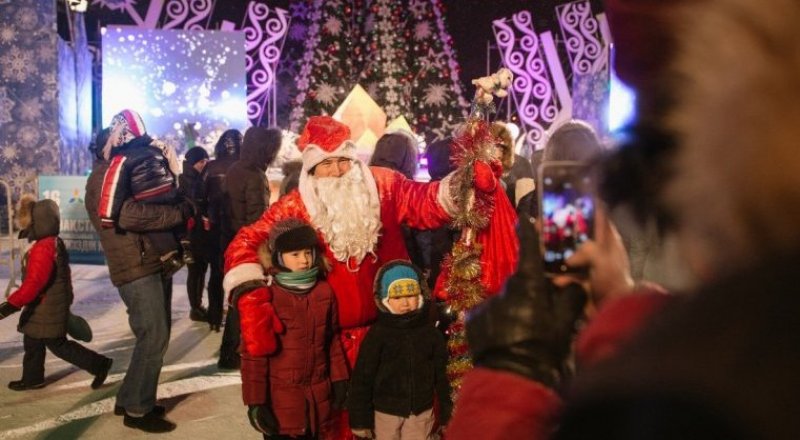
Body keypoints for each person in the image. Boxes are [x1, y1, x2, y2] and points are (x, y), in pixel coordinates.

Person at [449, 0, 800, 438]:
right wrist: (621, 304)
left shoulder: (703, 396)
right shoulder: (750, 333)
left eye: (661, 149)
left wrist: (513, 367)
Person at [223, 115, 512, 438]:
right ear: (311, 169)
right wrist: (252, 299)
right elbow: (245, 242)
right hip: (327, 347)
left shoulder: (383, 185)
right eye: (326, 164)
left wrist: (466, 182)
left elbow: (427, 203)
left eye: (343, 162)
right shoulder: (295, 207)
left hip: (388, 334)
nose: (336, 172)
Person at [86, 128, 189, 433]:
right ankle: (137, 410)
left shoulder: (123, 170)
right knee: (154, 334)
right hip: (134, 265)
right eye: (119, 141)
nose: (125, 145)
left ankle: (130, 396)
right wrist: (177, 213)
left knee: (154, 334)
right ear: (106, 147)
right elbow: (129, 215)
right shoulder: (104, 176)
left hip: (146, 260)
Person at [240, 218, 349, 439]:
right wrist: (256, 402)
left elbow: (332, 339)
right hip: (280, 400)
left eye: (308, 253)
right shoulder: (267, 297)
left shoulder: (323, 292)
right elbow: (254, 355)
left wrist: (339, 379)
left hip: (318, 396)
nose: (304, 261)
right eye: (295, 255)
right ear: (278, 256)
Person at [0, 196, 113, 391]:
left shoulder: (44, 248)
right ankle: (32, 378)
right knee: (33, 339)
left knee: (57, 343)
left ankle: (99, 364)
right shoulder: (50, 242)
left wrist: (10, 305)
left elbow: (34, 283)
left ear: (39, 222)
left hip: (47, 305)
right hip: (47, 304)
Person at [347, 260, 451, 440]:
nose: (405, 303)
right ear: (384, 300)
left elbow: (442, 376)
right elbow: (362, 378)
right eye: (397, 297)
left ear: (420, 295)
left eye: (411, 295)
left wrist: (447, 414)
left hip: (420, 411)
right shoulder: (378, 334)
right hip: (386, 412)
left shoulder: (430, 334)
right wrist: (360, 420)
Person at [217, 126, 282, 370]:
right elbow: (257, 219)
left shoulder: (236, 169)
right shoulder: (254, 175)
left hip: (232, 240)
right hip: (248, 245)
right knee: (245, 298)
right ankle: (233, 351)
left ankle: (231, 350)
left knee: (237, 297)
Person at [97, 109, 191, 276]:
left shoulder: (122, 158)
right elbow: (172, 169)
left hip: (145, 195)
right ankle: (185, 244)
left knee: (152, 223)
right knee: (171, 214)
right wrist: (174, 186)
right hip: (167, 190)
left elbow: (112, 187)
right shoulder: (157, 149)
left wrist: (107, 216)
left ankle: (170, 255)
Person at [203, 129, 243, 332]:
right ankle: (237, 316)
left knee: (216, 272)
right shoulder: (246, 167)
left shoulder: (211, 167)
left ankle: (214, 316)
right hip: (239, 226)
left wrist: (206, 216)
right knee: (240, 271)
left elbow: (200, 196)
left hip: (216, 227)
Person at [180, 146, 211, 322]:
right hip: (191, 234)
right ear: (192, 163)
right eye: (201, 162)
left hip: (200, 233)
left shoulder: (200, 178)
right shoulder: (185, 180)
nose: (204, 164)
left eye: (206, 161)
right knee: (195, 271)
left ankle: (198, 306)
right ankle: (195, 307)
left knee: (200, 270)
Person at [489, 122, 535, 212]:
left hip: (512, 221)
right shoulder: (480, 164)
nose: (494, 149)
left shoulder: (521, 164)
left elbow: (526, 205)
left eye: (499, 146)